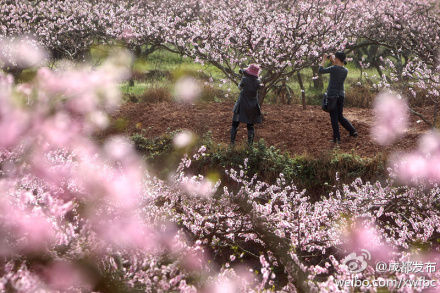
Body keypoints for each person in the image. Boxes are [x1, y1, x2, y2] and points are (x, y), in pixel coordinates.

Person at [319, 52, 357, 144]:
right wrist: (334, 61)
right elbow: (337, 68)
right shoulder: (345, 70)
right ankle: (353, 131)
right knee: (340, 116)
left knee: (334, 117)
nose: (334, 59)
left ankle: (337, 139)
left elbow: (320, 70)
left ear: (338, 59)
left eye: (335, 58)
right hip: (341, 95)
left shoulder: (334, 68)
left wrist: (324, 60)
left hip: (332, 95)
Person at [230, 64, 263, 146]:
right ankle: (250, 146)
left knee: (235, 123)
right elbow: (258, 85)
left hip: (242, 104)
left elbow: (240, 87)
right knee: (250, 126)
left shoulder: (244, 79)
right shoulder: (258, 82)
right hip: (252, 106)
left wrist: (243, 77)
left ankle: (232, 143)